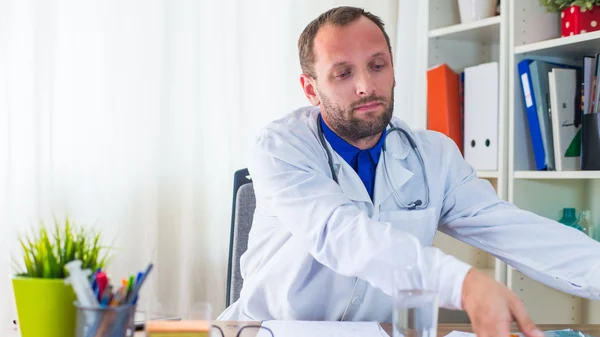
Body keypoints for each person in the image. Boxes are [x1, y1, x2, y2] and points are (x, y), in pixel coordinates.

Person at [218, 6, 600, 337]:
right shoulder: (279, 147)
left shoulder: (432, 155)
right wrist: (464, 284)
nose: (366, 86)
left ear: (394, 69)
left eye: (377, 66)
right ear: (310, 89)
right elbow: (341, 234)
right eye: (343, 73)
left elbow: (513, 230)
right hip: (273, 330)